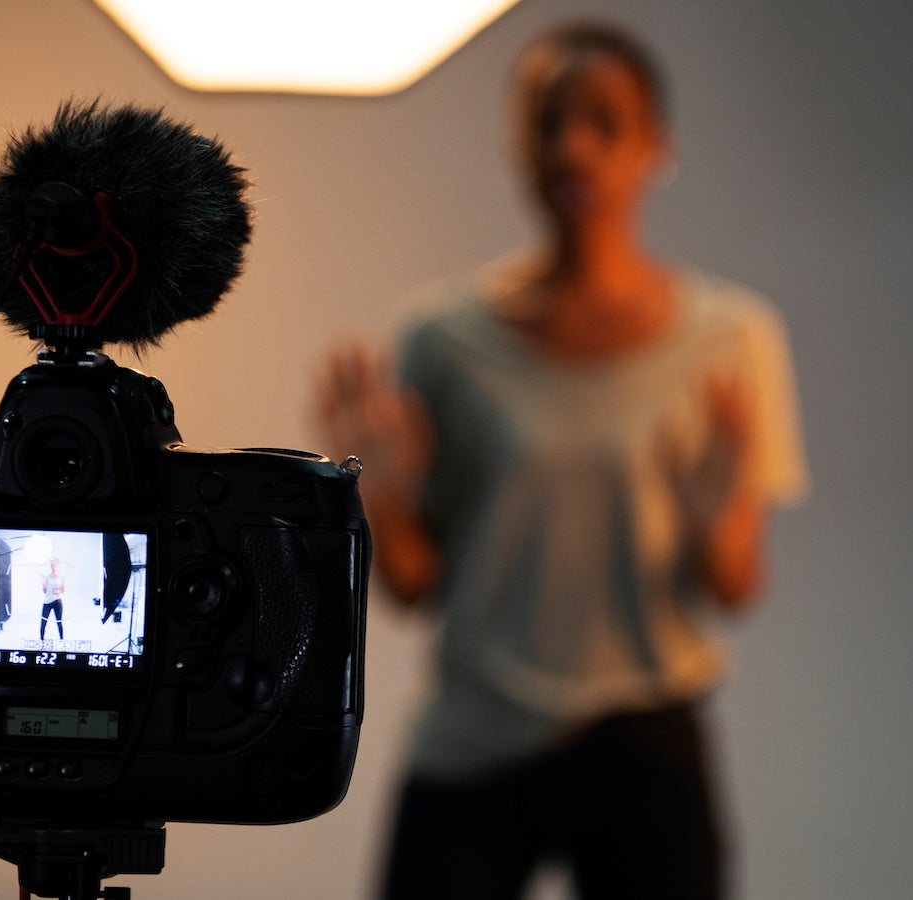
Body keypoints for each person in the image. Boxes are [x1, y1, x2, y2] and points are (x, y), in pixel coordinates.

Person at [313, 19, 810, 900]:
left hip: (645, 740)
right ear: (519, 145)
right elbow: (415, 587)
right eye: (549, 122)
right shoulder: (441, 341)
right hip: (475, 735)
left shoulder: (732, 341)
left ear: (654, 146)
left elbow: (735, 588)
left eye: (604, 122)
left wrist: (714, 522)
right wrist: (381, 502)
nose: (573, 146)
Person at [39, 557, 65, 642]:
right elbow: (45, 591)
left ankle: (62, 640)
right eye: (52, 563)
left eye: (55, 563)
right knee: (43, 622)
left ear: (57, 564)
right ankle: (41, 640)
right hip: (47, 602)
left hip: (57, 601)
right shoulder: (47, 577)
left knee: (59, 622)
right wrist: (43, 582)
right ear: (51, 565)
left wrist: (56, 590)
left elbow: (63, 590)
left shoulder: (62, 576)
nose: (53, 564)